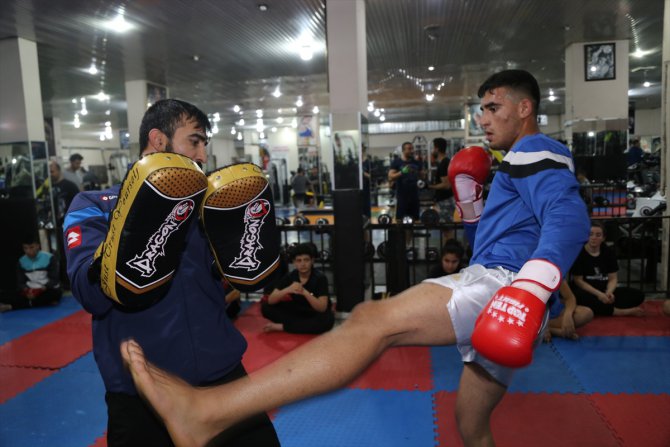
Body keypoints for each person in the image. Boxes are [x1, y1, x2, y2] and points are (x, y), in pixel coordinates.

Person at [120, 69, 590, 447]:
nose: (484, 117)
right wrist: (471, 205)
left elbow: (570, 219)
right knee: (472, 427)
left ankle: (206, 413)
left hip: (503, 285)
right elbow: (500, 234)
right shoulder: (514, 163)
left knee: (369, 320)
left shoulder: (534, 149)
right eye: (481, 108)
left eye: (494, 107)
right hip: (508, 290)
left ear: (525, 108)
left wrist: (531, 289)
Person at [63, 99, 280, 446]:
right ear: (158, 140)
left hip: (221, 375)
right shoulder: (93, 206)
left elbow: (237, 277)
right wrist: (134, 235)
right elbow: (88, 294)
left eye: (204, 144)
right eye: (194, 141)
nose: (203, 156)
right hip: (143, 391)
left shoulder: (204, 209)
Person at [570, 221, 645, 317]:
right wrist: (598, 294)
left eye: (598, 235)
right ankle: (619, 312)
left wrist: (609, 292)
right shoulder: (579, 253)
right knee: (578, 297)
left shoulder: (608, 252)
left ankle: (602, 307)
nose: (594, 238)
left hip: (604, 289)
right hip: (586, 290)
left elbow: (613, 278)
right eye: (591, 234)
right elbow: (578, 281)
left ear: (603, 238)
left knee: (638, 295)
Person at [261, 243, 334, 334]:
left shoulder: (320, 278)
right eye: (299, 261)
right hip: (298, 310)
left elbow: (322, 308)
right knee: (266, 308)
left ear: (312, 261)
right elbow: (271, 300)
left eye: (306, 260)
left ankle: (283, 326)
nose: (303, 264)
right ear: (294, 263)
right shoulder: (291, 276)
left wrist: (304, 292)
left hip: (314, 312)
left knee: (327, 320)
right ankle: (298, 325)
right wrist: (288, 289)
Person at [0, 236, 62, 312]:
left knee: (54, 294)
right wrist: (26, 291)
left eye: (31, 247)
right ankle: (38, 303)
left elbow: (54, 280)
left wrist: (40, 290)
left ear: (38, 246)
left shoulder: (49, 258)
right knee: (4, 295)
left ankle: (12, 307)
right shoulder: (21, 261)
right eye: (25, 248)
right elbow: (21, 282)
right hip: (30, 290)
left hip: (45, 289)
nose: (28, 251)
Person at [388, 141, 422, 222]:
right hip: (402, 197)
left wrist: (420, 173)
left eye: (412, 149)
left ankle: (410, 235)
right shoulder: (397, 162)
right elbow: (390, 177)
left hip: (414, 197)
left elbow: (422, 176)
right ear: (403, 150)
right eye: (409, 149)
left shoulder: (416, 162)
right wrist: (402, 172)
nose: (412, 151)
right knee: (400, 222)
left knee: (415, 221)